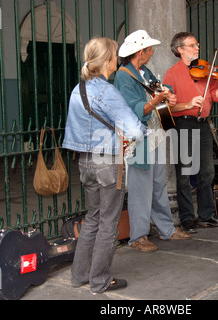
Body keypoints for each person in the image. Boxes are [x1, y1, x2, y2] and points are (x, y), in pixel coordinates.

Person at [63, 37, 145, 294]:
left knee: (93, 219)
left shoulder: (79, 89)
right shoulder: (107, 91)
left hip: (85, 161)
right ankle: (99, 280)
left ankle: (79, 275)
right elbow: (134, 129)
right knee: (109, 223)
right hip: (108, 162)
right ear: (108, 61)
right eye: (114, 56)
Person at [114, 30, 192, 252]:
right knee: (140, 188)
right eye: (149, 49)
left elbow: (159, 92)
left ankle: (166, 229)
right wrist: (158, 99)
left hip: (153, 136)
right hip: (138, 139)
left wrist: (168, 95)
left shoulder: (144, 71)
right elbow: (136, 109)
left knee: (158, 185)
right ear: (140, 51)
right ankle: (138, 237)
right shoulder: (123, 76)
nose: (151, 52)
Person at [163, 32, 218, 233]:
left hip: (203, 125)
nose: (197, 48)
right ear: (180, 49)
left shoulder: (204, 72)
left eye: (197, 44)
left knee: (207, 172)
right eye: (192, 45)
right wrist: (188, 104)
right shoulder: (171, 74)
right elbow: (166, 108)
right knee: (184, 173)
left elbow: (215, 97)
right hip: (183, 124)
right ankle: (186, 219)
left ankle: (207, 215)